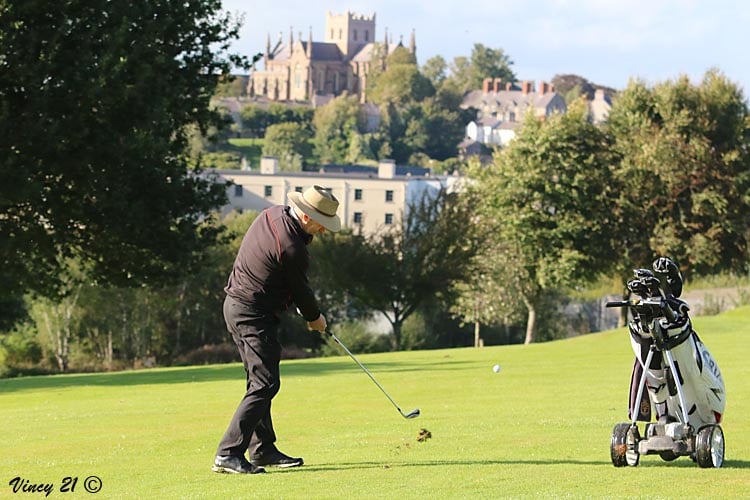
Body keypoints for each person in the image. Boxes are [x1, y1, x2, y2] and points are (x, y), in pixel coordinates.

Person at [212, 185, 341, 474]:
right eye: (323, 225)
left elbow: (275, 272)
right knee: (265, 383)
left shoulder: (272, 215)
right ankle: (228, 453)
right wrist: (314, 317)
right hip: (251, 314)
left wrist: (289, 297)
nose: (323, 231)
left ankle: (262, 449)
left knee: (258, 381)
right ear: (308, 217)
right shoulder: (293, 247)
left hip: (237, 306)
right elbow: (301, 289)